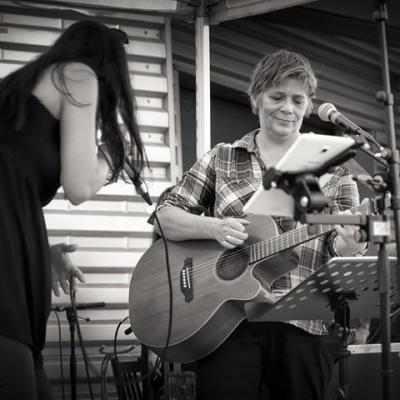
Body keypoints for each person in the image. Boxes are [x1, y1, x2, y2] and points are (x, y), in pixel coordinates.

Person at [153, 49, 367, 400]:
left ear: (308, 106)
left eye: (298, 100)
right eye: (277, 97)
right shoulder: (222, 158)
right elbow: (165, 216)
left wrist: (353, 241)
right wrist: (214, 228)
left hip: (304, 322)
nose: (288, 108)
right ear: (256, 99)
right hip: (230, 321)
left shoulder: (334, 168)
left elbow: (340, 247)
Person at [0, 20, 145, 400]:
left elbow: (13, 187)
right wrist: (113, 153)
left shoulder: (26, 89)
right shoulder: (78, 74)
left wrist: (39, 252)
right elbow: (79, 187)